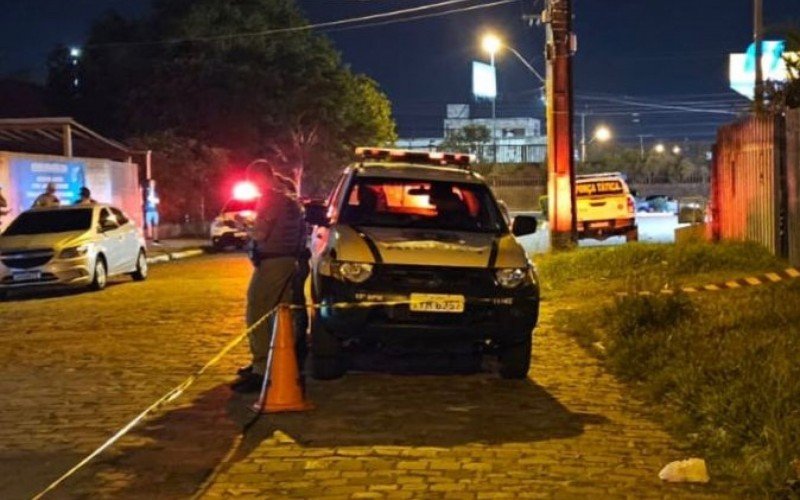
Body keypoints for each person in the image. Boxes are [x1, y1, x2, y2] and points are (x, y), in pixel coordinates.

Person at [232, 163, 307, 393]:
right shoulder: (289, 199)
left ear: (261, 178)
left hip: (273, 262)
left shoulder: (271, 199)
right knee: (279, 316)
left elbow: (261, 233)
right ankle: (277, 365)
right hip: (288, 261)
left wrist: (243, 224)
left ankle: (261, 369)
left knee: (258, 311)